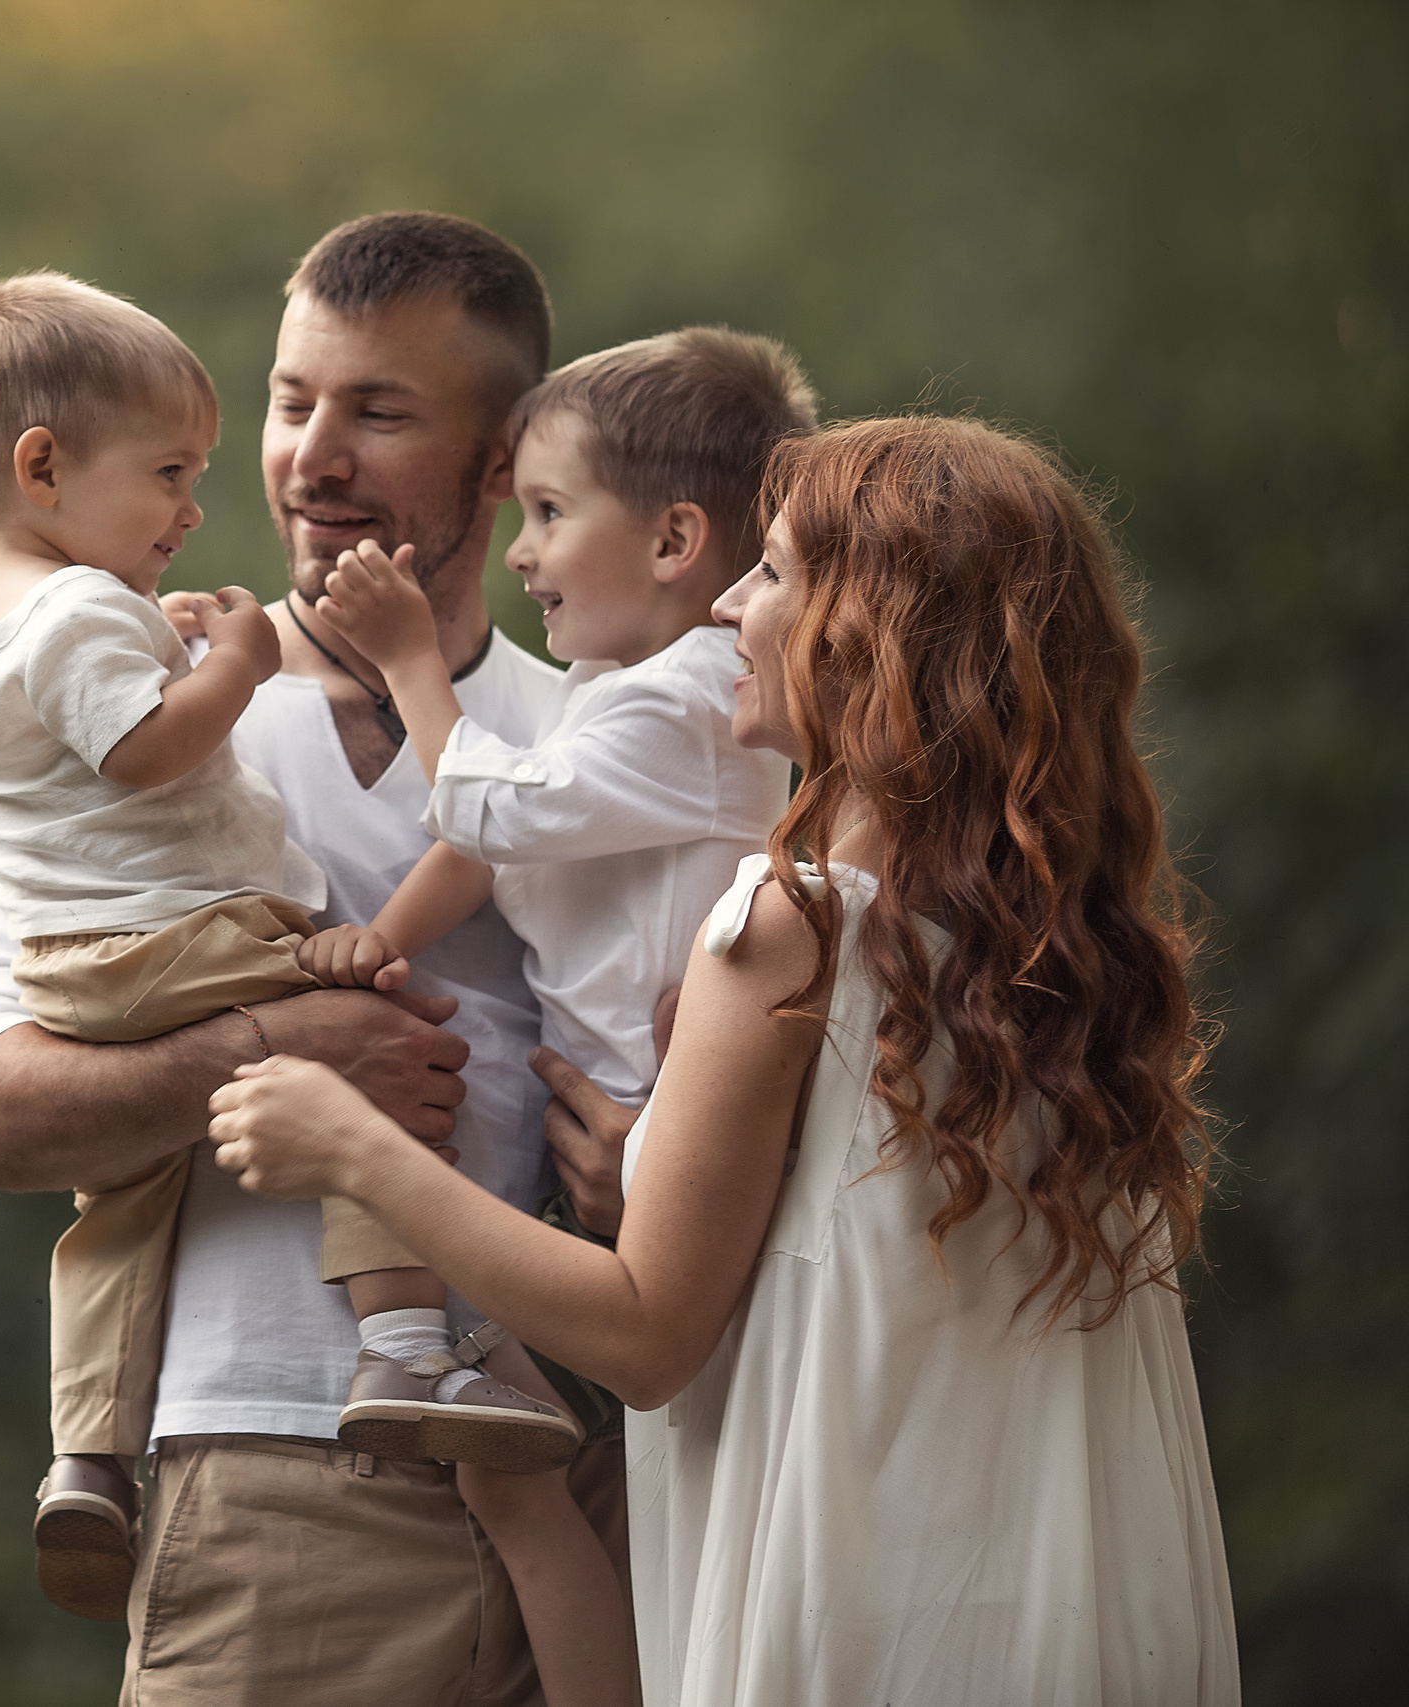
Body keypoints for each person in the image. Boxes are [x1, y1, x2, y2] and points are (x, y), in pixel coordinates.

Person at [207, 415, 1241, 1706]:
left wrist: (350, 1145)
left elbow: (645, 1335)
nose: (729, 608)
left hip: (860, 1610)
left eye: (773, 573)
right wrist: (646, 1181)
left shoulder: (794, 925)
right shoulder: (1051, 961)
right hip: (1062, 1607)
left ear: (871, 633)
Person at [0, 212, 614, 1703]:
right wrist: (278, 1050)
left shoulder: (604, 739)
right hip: (277, 1475)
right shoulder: (128, 715)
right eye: (294, 405)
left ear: (504, 460)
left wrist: (641, 1167)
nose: (312, 460)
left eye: (380, 413)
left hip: (595, 1463)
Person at [294, 328, 815, 1689]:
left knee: (548, 1490)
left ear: (674, 540)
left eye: (547, 512)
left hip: (666, 1154)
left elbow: (493, 811)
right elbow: (491, 846)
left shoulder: (691, 703)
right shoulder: (612, 694)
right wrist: (379, 945)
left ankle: (417, 1357)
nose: (521, 553)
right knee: (531, 1489)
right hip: (603, 1155)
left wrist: (413, 660)